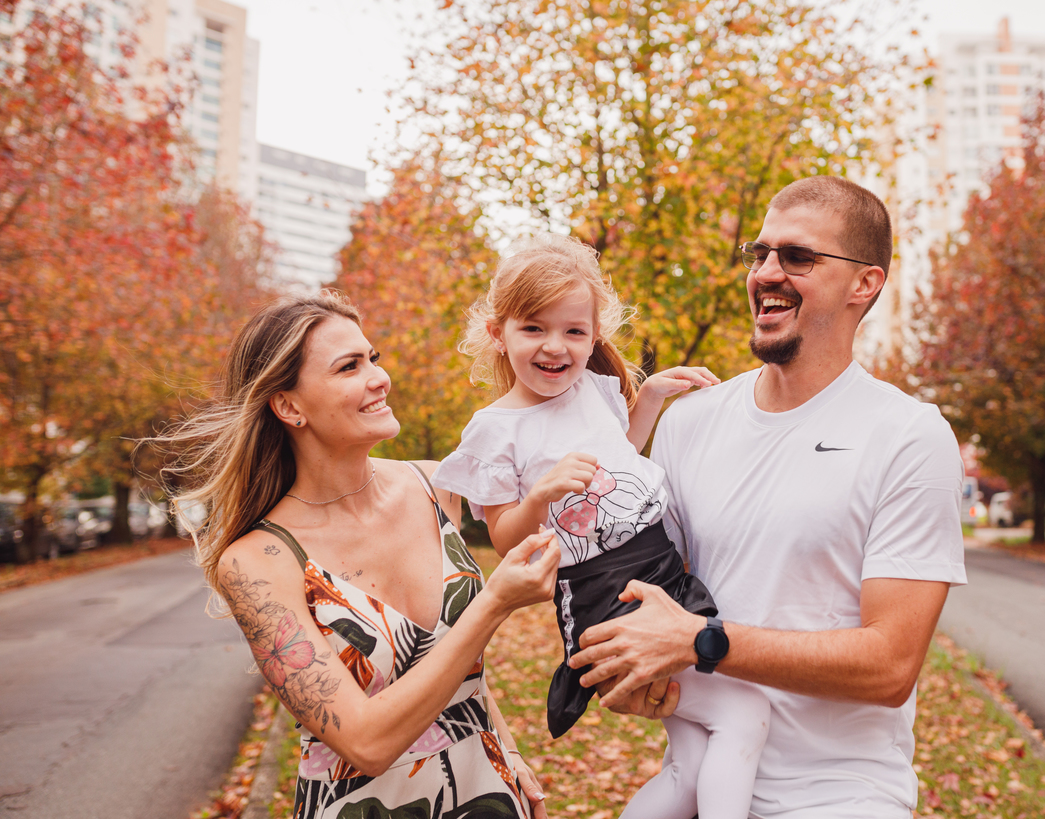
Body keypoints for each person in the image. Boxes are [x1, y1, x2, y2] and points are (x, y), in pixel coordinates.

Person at [569, 176, 968, 819]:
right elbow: (654, 592)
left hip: (841, 796)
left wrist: (704, 642)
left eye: (798, 257)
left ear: (864, 283)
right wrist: (627, 664)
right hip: (699, 782)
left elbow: (891, 664)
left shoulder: (910, 436)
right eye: (760, 254)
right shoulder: (690, 422)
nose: (767, 273)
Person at [155, 292, 560, 819]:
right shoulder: (257, 562)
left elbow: (452, 666)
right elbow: (365, 744)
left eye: (374, 358)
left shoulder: (438, 484)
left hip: (489, 792)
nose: (378, 378)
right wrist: (494, 604)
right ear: (289, 406)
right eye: (349, 366)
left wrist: (506, 749)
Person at [431, 233, 773, 819]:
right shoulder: (495, 429)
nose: (554, 347)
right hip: (601, 591)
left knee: (690, 760)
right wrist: (539, 494)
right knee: (746, 714)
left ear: (594, 337)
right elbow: (508, 540)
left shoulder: (593, 390)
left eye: (574, 331)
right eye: (533, 329)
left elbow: (622, 460)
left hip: (659, 566)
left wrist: (651, 400)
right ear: (498, 332)